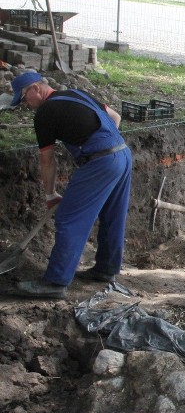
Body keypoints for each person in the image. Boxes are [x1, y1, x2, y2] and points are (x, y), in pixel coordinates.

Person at [10, 71, 132, 299]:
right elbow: (115, 118)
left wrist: (50, 194)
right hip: (123, 154)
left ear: (36, 89)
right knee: (112, 215)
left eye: (25, 98)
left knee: (68, 218)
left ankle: (55, 281)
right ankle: (106, 269)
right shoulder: (77, 94)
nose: (26, 105)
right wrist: (103, 149)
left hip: (101, 162)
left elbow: (47, 159)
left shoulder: (45, 113)